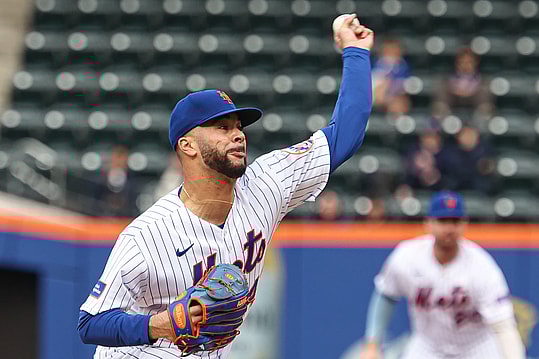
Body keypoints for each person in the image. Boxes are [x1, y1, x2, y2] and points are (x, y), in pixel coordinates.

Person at [77, 14, 374, 359]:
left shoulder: (267, 183)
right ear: (187, 146)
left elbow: (344, 135)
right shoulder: (147, 236)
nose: (237, 134)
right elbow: (91, 323)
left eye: (238, 126)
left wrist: (355, 51)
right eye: (220, 127)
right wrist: (158, 324)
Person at [359, 191, 526, 359]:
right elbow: (386, 295)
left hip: (476, 347)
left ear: (464, 224)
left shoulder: (482, 267)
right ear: (428, 223)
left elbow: (503, 326)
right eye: (442, 221)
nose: (449, 228)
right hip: (427, 347)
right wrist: (372, 344)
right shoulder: (407, 257)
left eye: (455, 221)